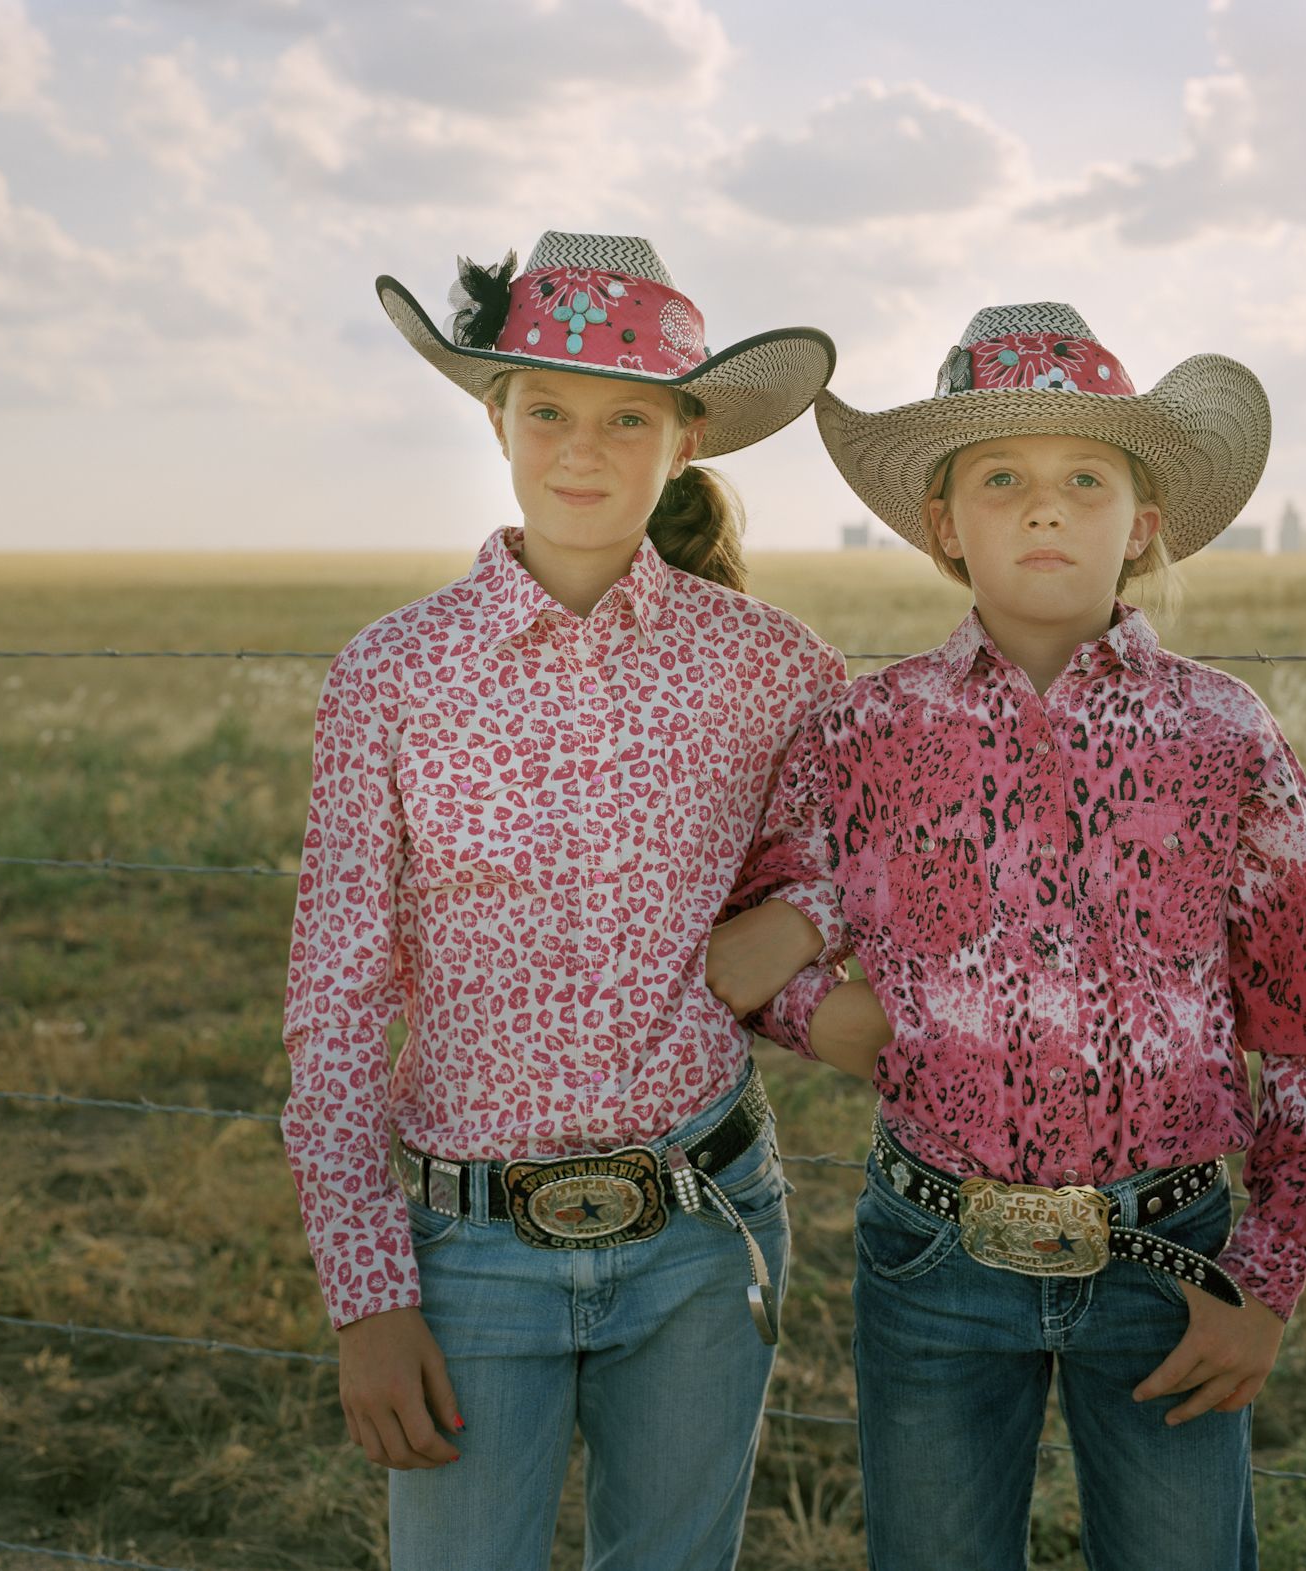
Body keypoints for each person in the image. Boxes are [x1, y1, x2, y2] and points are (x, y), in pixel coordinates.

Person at [709, 303, 1306, 1569]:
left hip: (1172, 1252)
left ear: (1138, 523)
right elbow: (754, 940)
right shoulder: (864, 732)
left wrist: (1263, 1273)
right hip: (934, 1251)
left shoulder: (1217, 734)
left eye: (1082, 479)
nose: (1044, 509)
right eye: (1001, 479)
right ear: (944, 523)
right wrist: (833, 1009)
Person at [280, 231, 844, 1571]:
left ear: (686, 435)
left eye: (626, 416)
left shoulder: (768, 668)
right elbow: (340, 998)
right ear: (497, 414)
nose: (581, 448)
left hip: (703, 1232)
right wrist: (369, 1296)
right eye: (548, 409)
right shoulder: (394, 673)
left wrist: (801, 921)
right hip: (469, 1246)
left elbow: (891, 838)